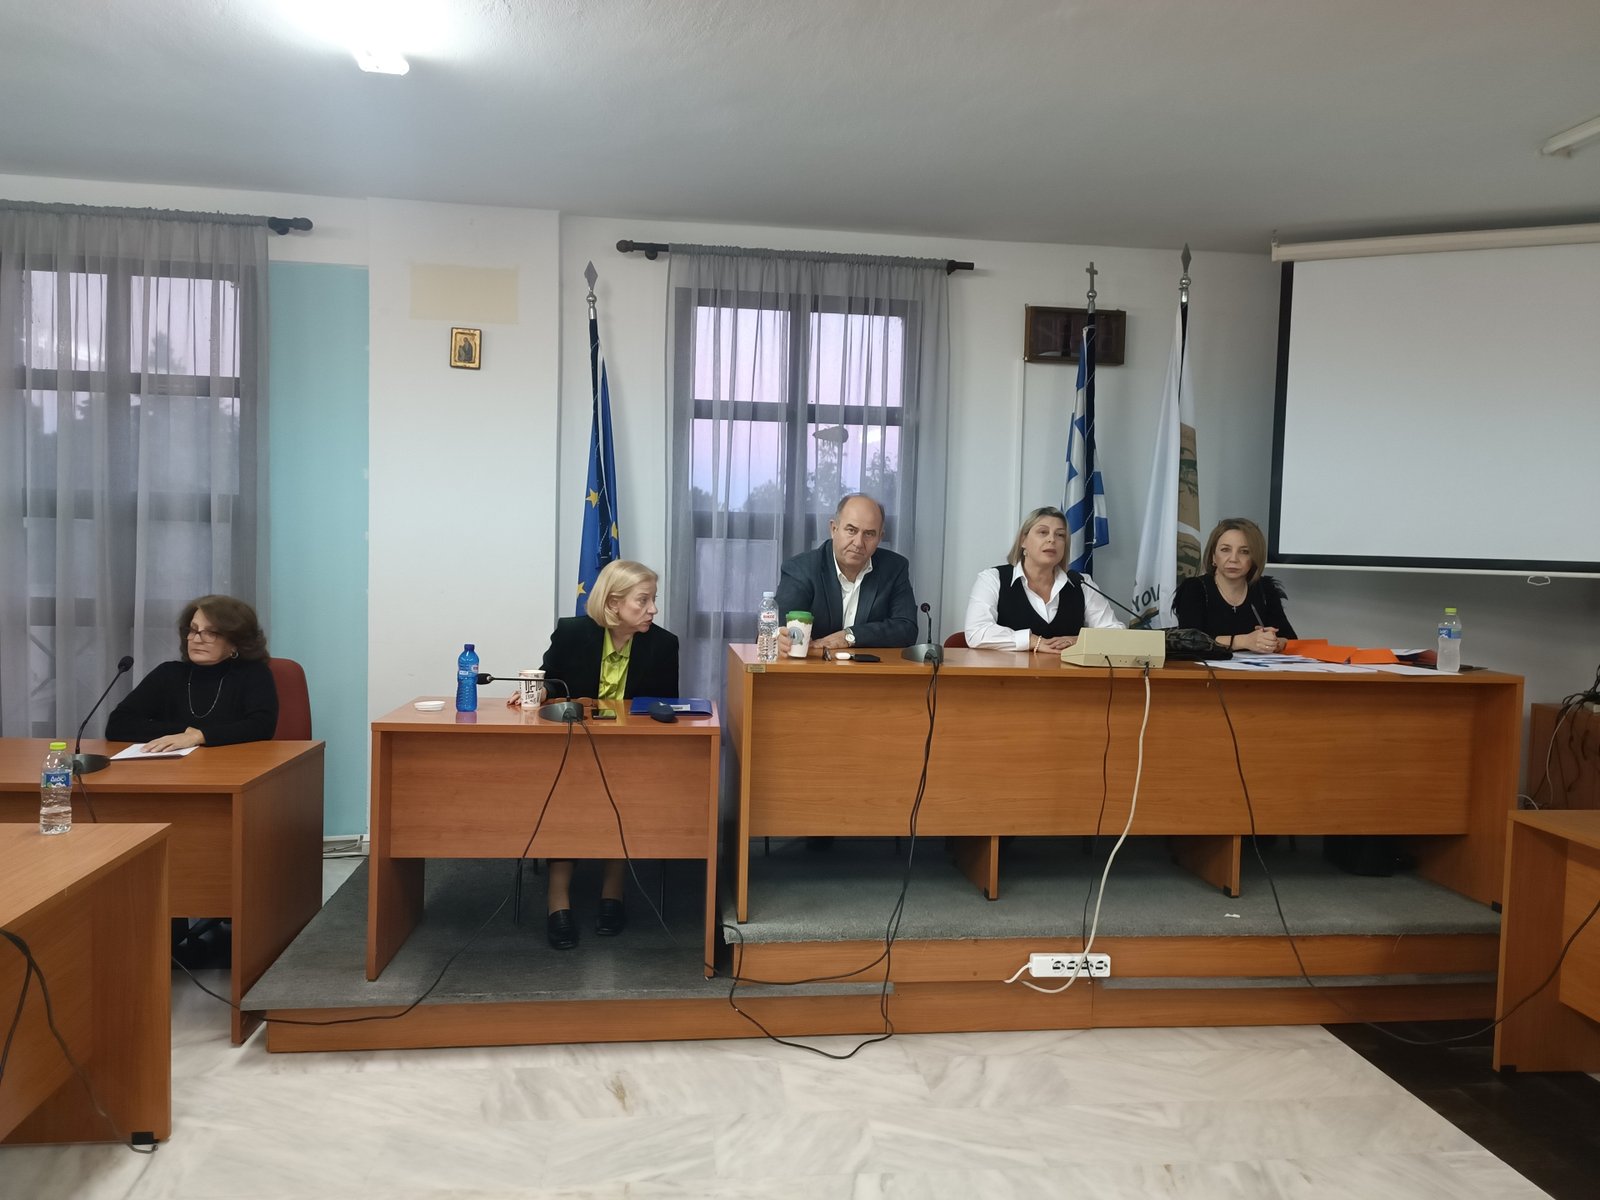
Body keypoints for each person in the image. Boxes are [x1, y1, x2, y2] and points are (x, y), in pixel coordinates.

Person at [533, 559, 678, 950]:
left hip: (631, 755)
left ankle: (613, 890)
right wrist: (541, 690)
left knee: (622, 793)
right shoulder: (572, 632)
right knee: (565, 795)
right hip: (573, 748)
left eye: (653, 599)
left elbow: (665, 709)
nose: (653, 609)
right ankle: (557, 899)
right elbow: (552, 680)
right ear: (613, 603)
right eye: (643, 600)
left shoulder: (664, 645)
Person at [106, 594, 279, 750]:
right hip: (173, 769)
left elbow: (261, 726)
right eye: (193, 630)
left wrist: (199, 737)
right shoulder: (168, 674)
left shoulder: (253, 674)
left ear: (235, 642)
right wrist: (184, 732)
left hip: (233, 767)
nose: (196, 639)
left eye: (210, 633)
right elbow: (118, 724)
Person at [964, 506, 1126, 651]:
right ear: (1023, 541)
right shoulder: (993, 579)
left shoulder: (1081, 583)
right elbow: (976, 632)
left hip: (1068, 674)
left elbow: (1116, 633)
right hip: (1009, 674)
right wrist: (1033, 641)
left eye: (1060, 535)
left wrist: (1078, 641)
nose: (1052, 539)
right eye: (1043, 532)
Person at [774, 493, 917, 655]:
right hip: (813, 667)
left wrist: (850, 636)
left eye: (869, 534)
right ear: (833, 529)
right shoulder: (801, 569)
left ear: (880, 537)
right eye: (851, 530)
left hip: (870, 669)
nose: (858, 543)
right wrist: (778, 639)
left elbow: (907, 629)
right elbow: (777, 629)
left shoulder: (894, 568)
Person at [1172, 518, 1297, 653]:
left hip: (1254, 666)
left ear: (1254, 558)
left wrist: (1273, 642)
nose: (1233, 559)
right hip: (1204, 666)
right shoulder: (1195, 588)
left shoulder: (1265, 589)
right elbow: (1189, 641)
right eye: (1225, 550)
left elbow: (1290, 639)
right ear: (1213, 556)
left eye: (1244, 551)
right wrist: (1244, 641)